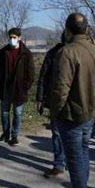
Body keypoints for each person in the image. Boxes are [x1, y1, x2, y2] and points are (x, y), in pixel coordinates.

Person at [49, 13, 95, 188]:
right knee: (83, 154)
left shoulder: (67, 52)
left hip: (72, 115)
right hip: (89, 113)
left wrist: (54, 112)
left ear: (68, 30)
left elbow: (60, 88)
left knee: (75, 162)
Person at [0, 27, 35, 146]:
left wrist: (25, 87)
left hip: (19, 89)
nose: (12, 39)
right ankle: (6, 133)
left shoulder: (26, 54)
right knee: (4, 112)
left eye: (14, 37)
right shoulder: (3, 52)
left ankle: (14, 135)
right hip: (5, 88)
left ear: (19, 38)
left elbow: (30, 73)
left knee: (18, 113)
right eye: (10, 37)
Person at [36, 33, 66, 178]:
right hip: (57, 100)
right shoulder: (53, 54)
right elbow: (43, 77)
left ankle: (67, 163)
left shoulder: (82, 52)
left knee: (71, 136)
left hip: (75, 101)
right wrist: (40, 98)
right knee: (57, 133)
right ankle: (59, 163)